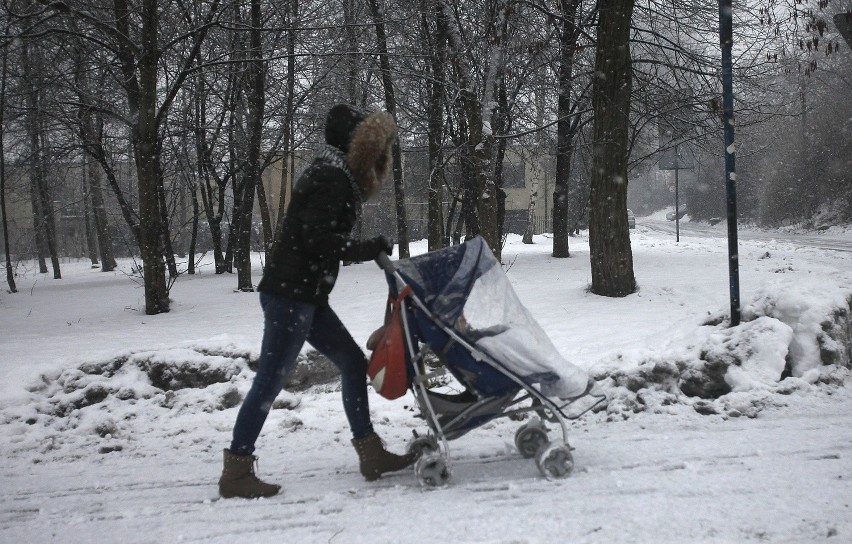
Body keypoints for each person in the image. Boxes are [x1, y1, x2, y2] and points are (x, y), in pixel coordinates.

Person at [218, 104, 416, 499]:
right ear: (358, 146)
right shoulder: (331, 178)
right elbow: (318, 240)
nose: (381, 159)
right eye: (376, 149)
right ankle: (236, 471)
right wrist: (366, 249)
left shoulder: (333, 174)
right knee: (271, 380)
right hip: (292, 295)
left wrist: (363, 249)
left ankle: (370, 452)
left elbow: (318, 238)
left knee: (352, 362)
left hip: (303, 293)